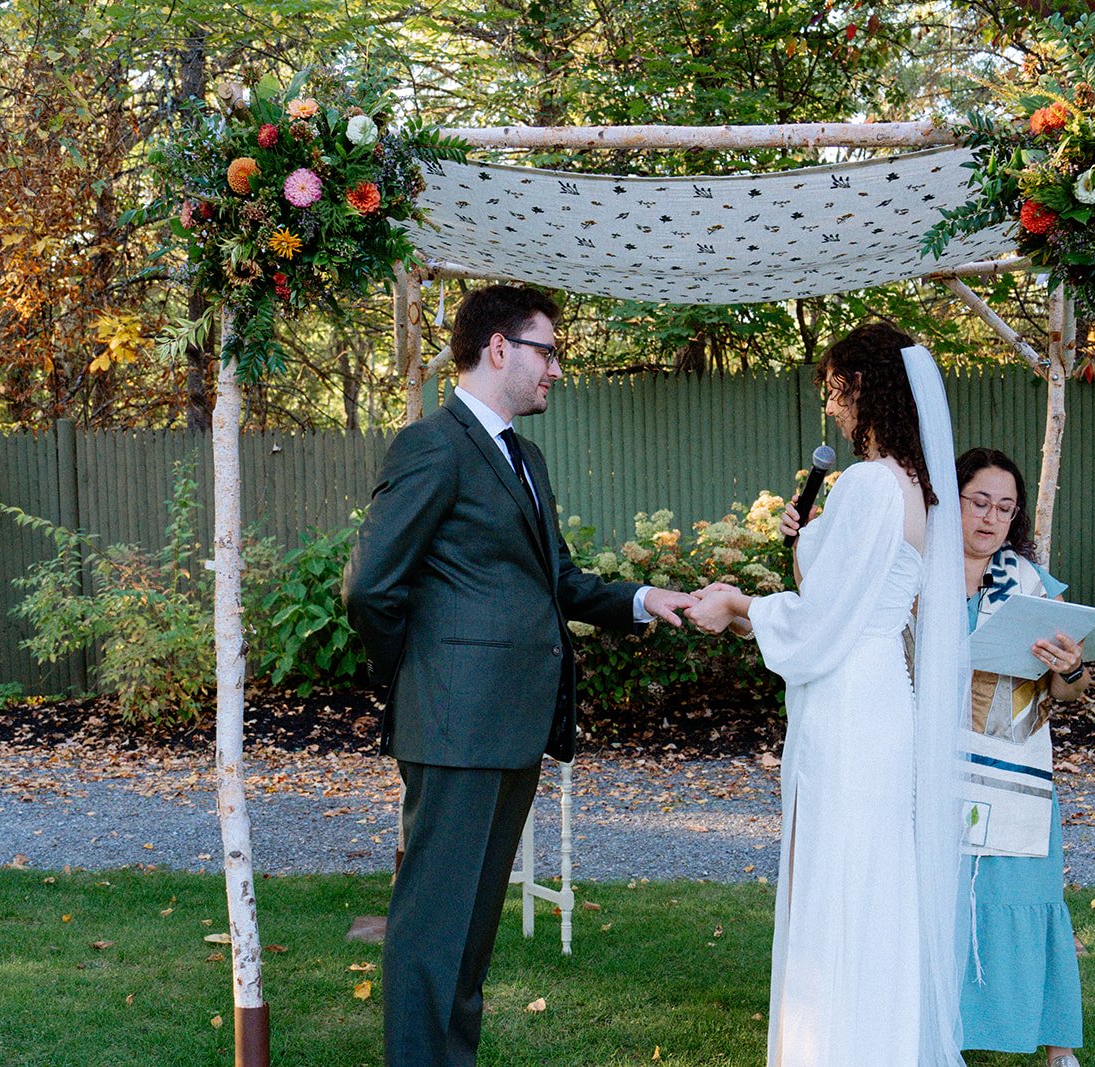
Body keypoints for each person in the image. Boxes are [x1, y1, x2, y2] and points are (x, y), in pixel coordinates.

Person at [342, 284, 698, 1067]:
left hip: (510, 727)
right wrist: (423, 673)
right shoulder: (433, 445)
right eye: (548, 350)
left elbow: (558, 581)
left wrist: (645, 598)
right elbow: (370, 587)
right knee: (434, 930)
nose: (558, 368)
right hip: (456, 725)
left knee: (469, 933)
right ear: (498, 347)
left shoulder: (522, 455)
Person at [687, 321, 971, 1067]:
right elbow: (847, 599)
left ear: (868, 388)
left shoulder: (872, 483)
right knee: (870, 876)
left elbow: (818, 621)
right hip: (882, 691)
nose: (835, 410)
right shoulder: (916, 488)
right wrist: (806, 540)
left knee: (839, 872)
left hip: (850, 699)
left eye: (838, 391)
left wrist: (737, 604)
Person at [954, 446, 1088, 1067]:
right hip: (936, 765)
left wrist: (1073, 668)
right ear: (947, 500)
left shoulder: (1028, 585)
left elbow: (1067, 692)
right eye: (979, 502)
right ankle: (937, 1029)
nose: (990, 519)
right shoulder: (911, 575)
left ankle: (1058, 1049)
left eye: (1005, 508)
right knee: (947, 899)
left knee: (1026, 893)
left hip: (1018, 769)